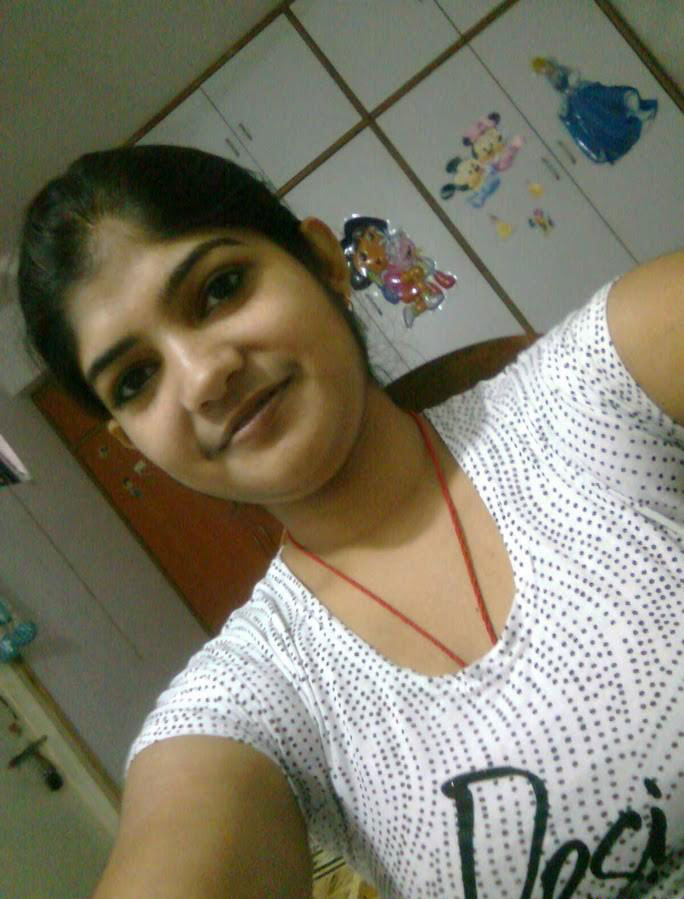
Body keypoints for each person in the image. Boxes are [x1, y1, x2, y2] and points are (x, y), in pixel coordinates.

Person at [17, 145, 683, 899]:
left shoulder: (601, 388)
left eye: (220, 288)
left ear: (325, 264)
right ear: (130, 440)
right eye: (137, 378)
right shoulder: (254, 694)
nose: (203, 376)